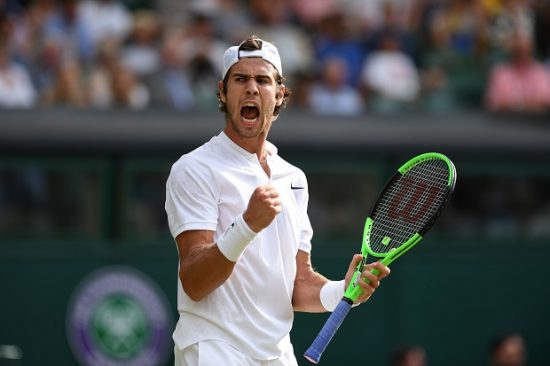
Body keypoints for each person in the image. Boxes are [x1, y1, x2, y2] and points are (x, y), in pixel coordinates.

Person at [164, 36, 391, 366]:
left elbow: (298, 285)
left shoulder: (293, 179)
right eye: (240, 79)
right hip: (214, 348)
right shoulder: (194, 168)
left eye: (262, 80)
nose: (252, 88)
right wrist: (246, 226)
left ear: (281, 93)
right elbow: (195, 282)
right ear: (223, 93)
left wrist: (344, 290)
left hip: (276, 354)